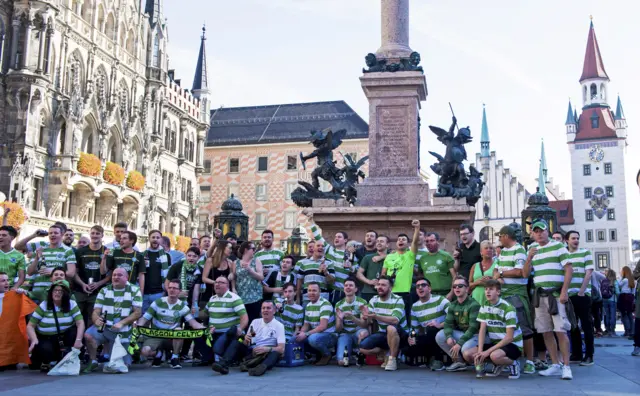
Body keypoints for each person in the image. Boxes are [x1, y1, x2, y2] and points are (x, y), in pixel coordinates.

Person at [522, 219, 573, 380]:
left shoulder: (558, 246)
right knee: (545, 331)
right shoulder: (531, 248)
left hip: (556, 294)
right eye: (535, 231)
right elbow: (525, 274)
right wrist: (529, 258)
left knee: (560, 330)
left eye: (541, 230)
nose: (539, 233)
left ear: (547, 231)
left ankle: (566, 366)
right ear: (533, 233)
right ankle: (555, 364)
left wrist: (564, 292)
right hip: (540, 294)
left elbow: (568, 269)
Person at [492, 225, 535, 374]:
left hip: (516, 295)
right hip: (503, 294)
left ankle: (530, 361)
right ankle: (507, 359)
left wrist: (501, 274)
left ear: (505, 236)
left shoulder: (519, 250)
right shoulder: (502, 252)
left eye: (500, 236)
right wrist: (498, 275)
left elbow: (520, 272)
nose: (499, 239)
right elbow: (495, 269)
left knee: (524, 328)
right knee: (506, 329)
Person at [83, 267, 143, 372]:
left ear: (126, 277)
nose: (116, 277)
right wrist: (96, 320)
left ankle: (134, 353)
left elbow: (137, 313)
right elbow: (96, 311)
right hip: (106, 328)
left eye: (119, 275)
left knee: (120, 366)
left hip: (123, 331)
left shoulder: (134, 290)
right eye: (114, 275)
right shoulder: (104, 290)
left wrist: (122, 323)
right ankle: (93, 361)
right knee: (88, 335)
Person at [137, 279, 205, 369]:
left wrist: (206, 329)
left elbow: (193, 323)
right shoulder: (158, 302)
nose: (172, 290)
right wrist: (138, 326)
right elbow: (144, 318)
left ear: (179, 291)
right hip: (155, 335)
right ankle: (158, 353)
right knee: (145, 352)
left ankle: (175, 357)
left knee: (179, 330)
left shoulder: (183, 306)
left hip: (171, 337)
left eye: (175, 288)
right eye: (170, 288)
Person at [468, 280, 523, 379]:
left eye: (491, 289)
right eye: (486, 289)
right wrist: (480, 352)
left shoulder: (508, 308)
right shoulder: (485, 305)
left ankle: (514, 363)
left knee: (494, 356)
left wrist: (487, 352)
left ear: (498, 292)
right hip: (496, 344)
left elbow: (509, 338)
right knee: (469, 354)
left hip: (513, 344)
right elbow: (482, 329)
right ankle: (498, 364)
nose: (487, 292)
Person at [215, 300, 286, 376]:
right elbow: (249, 342)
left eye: (268, 308)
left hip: (266, 354)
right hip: (252, 352)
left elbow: (281, 348)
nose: (265, 310)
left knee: (276, 353)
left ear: (274, 311)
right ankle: (223, 365)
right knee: (238, 341)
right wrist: (246, 339)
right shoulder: (255, 322)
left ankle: (260, 368)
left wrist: (267, 349)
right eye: (263, 308)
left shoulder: (279, 326)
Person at [26, 280, 85, 372]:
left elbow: (80, 323)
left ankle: (67, 359)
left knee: (77, 333)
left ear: (66, 293)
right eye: (54, 290)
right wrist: (34, 340)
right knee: (45, 350)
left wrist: (78, 340)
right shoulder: (44, 305)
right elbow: (30, 326)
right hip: (46, 337)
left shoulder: (72, 304)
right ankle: (46, 361)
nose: (57, 293)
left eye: (60, 291)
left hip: (64, 337)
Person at [359, 276, 408, 371]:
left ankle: (392, 359)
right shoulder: (374, 299)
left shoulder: (398, 299)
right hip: (384, 333)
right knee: (362, 347)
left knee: (391, 328)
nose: (380, 287)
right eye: (378, 284)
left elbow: (395, 320)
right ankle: (386, 352)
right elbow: (368, 321)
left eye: (383, 285)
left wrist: (376, 316)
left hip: (401, 334)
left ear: (391, 288)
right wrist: (365, 317)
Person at [306, 211, 356, 305]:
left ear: (345, 240)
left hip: (346, 291)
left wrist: (351, 267)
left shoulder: (350, 254)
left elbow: (356, 270)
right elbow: (318, 237)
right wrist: (311, 222)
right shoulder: (330, 250)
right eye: (335, 237)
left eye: (339, 237)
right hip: (333, 290)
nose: (336, 238)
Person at [436, 275, 480, 371]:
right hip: (464, 334)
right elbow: (448, 324)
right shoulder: (453, 305)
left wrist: (459, 344)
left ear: (467, 289)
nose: (457, 288)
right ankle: (459, 362)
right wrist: (448, 337)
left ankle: (481, 362)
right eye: (454, 286)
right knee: (440, 335)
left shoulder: (474, 304)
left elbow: (473, 328)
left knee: (465, 350)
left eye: (460, 286)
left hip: (476, 336)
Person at [203, 276, 249, 369]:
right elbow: (204, 314)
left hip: (230, 333)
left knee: (237, 338)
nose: (217, 284)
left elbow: (244, 317)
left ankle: (224, 362)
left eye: (221, 282)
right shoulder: (212, 298)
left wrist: (240, 328)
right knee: (198, 333)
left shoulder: (234, 298)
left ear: (227, 285)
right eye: (216, 282)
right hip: (214, 332)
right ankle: (207, 359)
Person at [165, 247, 202, 362]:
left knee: (190, 327)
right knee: (175, 326)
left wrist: (194, 305)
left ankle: (184, 353)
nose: (191, 258)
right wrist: (173, 295)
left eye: (194, 256)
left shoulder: (199, 269)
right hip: (175, 300)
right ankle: (169, 352)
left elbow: (196, 289)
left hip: (189, 301)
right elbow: (167, 283)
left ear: (198, 258)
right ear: (186, 256)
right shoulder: (177, 266)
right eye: (189, 255)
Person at [564, 230, 595, 366]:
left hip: (582, 295)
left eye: (577, 238)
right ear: (567, 240)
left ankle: (589, 355)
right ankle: (576, 354)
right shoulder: (564, 255)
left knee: (587, 325)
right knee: (573, 326)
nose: (576, 240)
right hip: (569, 296)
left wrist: (582, 291)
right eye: (573, 238)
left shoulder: (585, 253)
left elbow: (588, 273)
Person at [407, 277, 449, 371]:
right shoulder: (415, 306)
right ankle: (426, 361)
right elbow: (414, 328)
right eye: (418, 286)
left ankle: (438, 361)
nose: (420, 288)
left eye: (423, 285)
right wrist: (411, 337)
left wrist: (440, 325)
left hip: (444, 332)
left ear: (429, 288)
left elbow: (454, 317)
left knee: (432, 329)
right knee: (412, 341)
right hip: (428, 334)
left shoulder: (440, 300)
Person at [26, 224, 77, 303]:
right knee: (36, 315)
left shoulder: (68, 251)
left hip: (56, 291)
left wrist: (53, 272)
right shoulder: (41, 248)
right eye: (50, 233)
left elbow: (71, 273)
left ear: (62, 234)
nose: (53, 235)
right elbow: (29, 272)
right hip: (37, 292)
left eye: (56, 233)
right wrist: (36, 258)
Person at [382, 220, 421, 319]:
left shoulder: (410, 255)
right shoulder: (389, 257)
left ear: (408, 244)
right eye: (399, 239)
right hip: (389, 292)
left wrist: (417, 228)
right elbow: (383, 275)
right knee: (389, 317)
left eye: (403, 239)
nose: (400, 241)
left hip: (404, 292)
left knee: (406, 317)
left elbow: (415, 242)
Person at [73, 225, 109, 329]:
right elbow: (74, 272)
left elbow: (110, 274)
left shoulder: (107, 251)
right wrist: (82, 284)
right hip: (80, 290)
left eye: (97, 233)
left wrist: (98, 284)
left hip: (98, 293)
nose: (95, 235)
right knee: (76, 318)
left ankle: (90, 343)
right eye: (93, 233)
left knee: (93, 320)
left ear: (102, 235)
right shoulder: (80, 251)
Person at [294, 282, 336, 366]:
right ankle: (297, 359)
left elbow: (323, 327)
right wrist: (300, 334)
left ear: (319, 291)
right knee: (294, 339)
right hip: (316, 334)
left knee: (312, 339)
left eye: (314, 290)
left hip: (330, 335)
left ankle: (327, 355)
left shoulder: (325, 304)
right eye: (309, 290)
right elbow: (306, 325)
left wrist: (306, 334)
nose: (311, 293)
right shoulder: (308, 305)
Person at [335, 278, 368, 367]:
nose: (348, 287)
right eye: (346, 285)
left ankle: (360, 353)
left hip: (358, 331)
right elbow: (338, 329)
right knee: (342, 362)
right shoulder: (339, 304)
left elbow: (364, 324)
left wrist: (352, 318)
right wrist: (340, 319)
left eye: (351, 285)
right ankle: (350, 355)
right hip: (345, 334)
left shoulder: (362, 302)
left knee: (364, 333)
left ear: (356, 289)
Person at [418, 231, 456, 301]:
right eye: (427, 241)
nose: (429, 243)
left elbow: (455, 276)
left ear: (438, 242)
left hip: (446, 294)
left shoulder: (446, 256)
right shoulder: (422, 258)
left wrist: (451, 293)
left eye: (432, 241)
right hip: (430, 295)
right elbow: (421, 277)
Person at [295, 239, 335, 304]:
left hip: (322, 299)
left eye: (322, 246)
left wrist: (326, 272)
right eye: (318, 245)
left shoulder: (329, 263)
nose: (320, 247)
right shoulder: (304, 263)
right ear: (313, 248)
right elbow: (299, 282)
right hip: (307, 298)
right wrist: (298, 298)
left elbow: (332, 281)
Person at [233, 241, 265, 322]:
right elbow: (233, 277)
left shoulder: (256, 261)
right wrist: (233, 288)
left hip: (255, 297)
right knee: (241, 321)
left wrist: (250, 270)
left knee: (253, 321)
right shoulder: (235, 263)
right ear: (246, 250)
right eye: (253, 249)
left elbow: (261, 277)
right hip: (240, 296)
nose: (255, 251)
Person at [141, 230, 172, 313]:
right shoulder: (142, 255)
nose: (155, 239)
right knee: (144, 320)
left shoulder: (167, 256)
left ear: (161, 239)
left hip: (159, 293)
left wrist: (165, 292)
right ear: (149, 239)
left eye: (157, 237)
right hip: (145, 294)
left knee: (158, 321)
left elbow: (169, 276)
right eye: (153, 237)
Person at [357, 235, 389, 302]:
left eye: (382, 241)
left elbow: (398, 252)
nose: (379, 243)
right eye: (377, 241)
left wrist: (383, 257)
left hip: (387, 292)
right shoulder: (367, 257)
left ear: (387, 244)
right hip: (368, 291)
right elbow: (359, 273)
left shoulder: (392, 257)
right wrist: (369, 281)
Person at [201, 240, 234, 305]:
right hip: (211, 294)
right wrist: (217, 283)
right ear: (222, 248)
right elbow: (204, 278)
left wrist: (233, 287)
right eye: (229, 248)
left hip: (225, 295)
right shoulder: (210, 261)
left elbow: (232, 280)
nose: (231, 250)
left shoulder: (230, 262)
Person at [469, 241, 497, 305]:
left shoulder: (497, 264)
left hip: (491, 300)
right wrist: (477, 282)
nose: (489, 250)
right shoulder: (475, 266)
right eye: (486, 248)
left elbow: (500, 283)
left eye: (491, 248)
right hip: (476, 299)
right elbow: (469, 285)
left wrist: (490, 281)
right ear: (481, 252)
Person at [0, 225, 26, 290]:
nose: (0, 237)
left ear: (12, 238)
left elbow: (22, 277)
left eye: (4, 235)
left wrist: (15, 287)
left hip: (8, 290)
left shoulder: (19, 256)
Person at [619, 266, 635, 339]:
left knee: (624, 315)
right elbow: (633, 291)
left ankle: (627, 331)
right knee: (630, 315)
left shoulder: (624, 280)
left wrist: (620, 277)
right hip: (630, 297)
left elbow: (619, 285)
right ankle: (632, 331)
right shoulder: (632, 280)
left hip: (623, 297)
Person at [601, 269, 619, 337]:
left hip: (605, 299)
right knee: (612, 316)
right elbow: (617, 292)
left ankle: (607, 329)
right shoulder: (614, 281)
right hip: (612, 300)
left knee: (607, 315)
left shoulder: (603, 280)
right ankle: (612, 331)